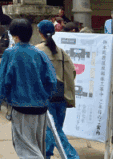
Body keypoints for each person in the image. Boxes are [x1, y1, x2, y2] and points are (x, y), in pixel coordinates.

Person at [0, 19, 57, 159]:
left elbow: (3, 81)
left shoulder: (11, 53)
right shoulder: (40, 53)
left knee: (26, 150)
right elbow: (52, 81)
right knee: (37, 147)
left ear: (15, 36)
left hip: (22, 107)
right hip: (41, 109)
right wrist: (45, 97)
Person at [35, 20, 79, 159]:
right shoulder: (61, 52)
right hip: (61, 97)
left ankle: (72, 156)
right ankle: (46, 155)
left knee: (54, 132)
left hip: (46, 97)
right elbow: (72, 72)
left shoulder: (37, 51)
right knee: (54, 130)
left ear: (39, 32)